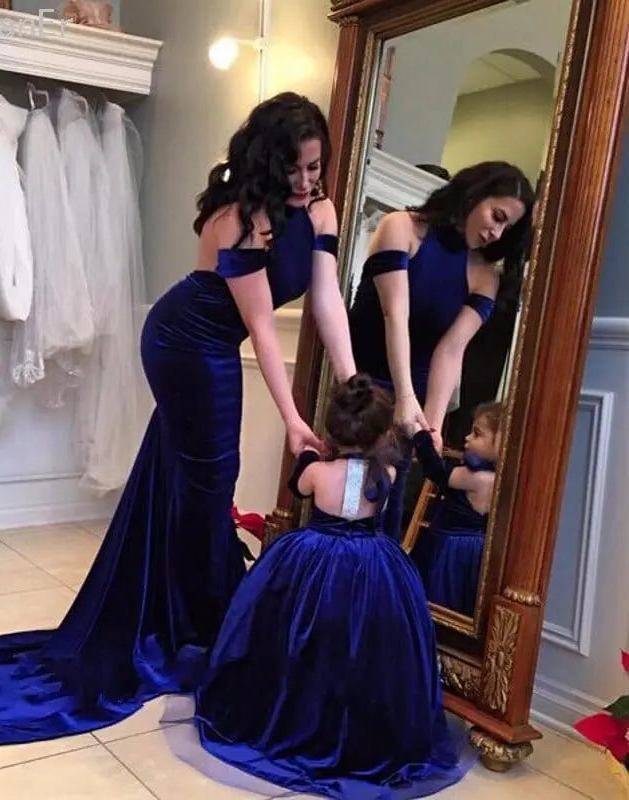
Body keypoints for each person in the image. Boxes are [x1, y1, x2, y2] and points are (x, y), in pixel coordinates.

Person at [0, 92, 357, 746]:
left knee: (191, 481)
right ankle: (201, 630)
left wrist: (352, 373)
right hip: (188, 342)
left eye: (317, 168)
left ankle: (183, 614)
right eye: (297, 169)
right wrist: (295, 417)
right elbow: (261, 330)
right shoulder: (239, 219)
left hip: (216, 344)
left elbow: (328, 296)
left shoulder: (322, 211)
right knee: (210, 482)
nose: (308, 182)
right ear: (271, 163)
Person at [191, 374, 471, 799]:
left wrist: (309, 456)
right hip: (374, 562)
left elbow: (298, 489)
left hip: (313, 559)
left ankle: (296, 714)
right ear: (380, 434)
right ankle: (357, 725)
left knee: (298, 635)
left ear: (332, 429)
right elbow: (381, 506)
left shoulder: (316, 472)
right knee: (362, 644)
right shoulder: (391, 473)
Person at [347, 161, 534, 536]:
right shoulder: (401, 227)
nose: (496, 232)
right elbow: (393, 315)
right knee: (348, 502)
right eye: (496, 216)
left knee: (385, 511)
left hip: (411, 399)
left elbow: (450, 351)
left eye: (506, 227)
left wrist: (430, 425)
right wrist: (403, 395)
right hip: (361, 387)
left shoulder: (483, 276)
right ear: (473, 194)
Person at [408, 401, 502, 617]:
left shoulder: (479, 478)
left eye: (477, 434)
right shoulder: (497, 478)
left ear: (501, 443)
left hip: (451, 548)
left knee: (436, 595)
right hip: (472, 549)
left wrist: (420, 436)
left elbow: (437, 471)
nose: (467, 438)